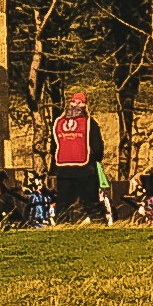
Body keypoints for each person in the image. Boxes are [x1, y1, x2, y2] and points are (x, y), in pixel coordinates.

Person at [48, 89, 104, 225]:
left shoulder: (58, 123)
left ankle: (60, 231)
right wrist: (96, 160)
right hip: (85, 170)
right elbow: (97, 148)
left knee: (63, 206)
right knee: (92, 205)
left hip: (63, 171)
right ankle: (100, 228)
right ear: (85, 106)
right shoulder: (90, 123)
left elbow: (53, 149)